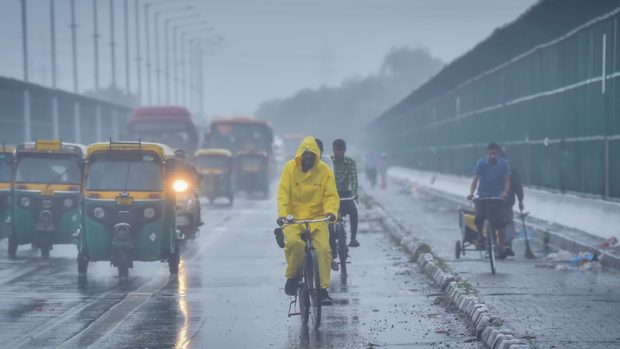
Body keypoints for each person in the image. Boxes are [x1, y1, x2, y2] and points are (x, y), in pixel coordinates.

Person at [277, 137, 339, 302]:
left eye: (312, 156)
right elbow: (283, 193)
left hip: (317, 220)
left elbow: (331, 195)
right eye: (306, 156)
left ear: (316, 156)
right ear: (300, 155)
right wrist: (283, 215)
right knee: (295, 244)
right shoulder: (290, 168)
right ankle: (292, 276)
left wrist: (331, 212)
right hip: (293, 219)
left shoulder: (325, 171)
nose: (308, 159)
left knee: (324, 251)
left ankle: (323, 290)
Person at [467, 142, 511, 258]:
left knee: (500, 223)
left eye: (495, 154)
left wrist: (505, 192)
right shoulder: (481, 163)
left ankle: (501, 247)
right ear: (487, 154)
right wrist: (472, 193)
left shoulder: (504, 164)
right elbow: (475, 180)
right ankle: (481, 236)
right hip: (482, 196)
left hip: (497, 198)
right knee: (479, 217)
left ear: (498, 154)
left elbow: (507, 181)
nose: (493, 156)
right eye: (491, 154)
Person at [331, 139, 360, 250]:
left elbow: (354, 179)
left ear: (345, 150)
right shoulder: (328, 162)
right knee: (328, 218)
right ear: (333, 149)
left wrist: (355, 192)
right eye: (336, 150)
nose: (338, 152)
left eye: (340, 150)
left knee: (353, 211)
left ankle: (353, 238)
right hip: (331, 195)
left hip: (346, 194)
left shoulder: (350, 162)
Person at [499, 148, 524, 257]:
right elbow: (518, 187)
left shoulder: (491, 171)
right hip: (507, 203)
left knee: (498, 224)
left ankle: (501, 245)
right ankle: (507, 245)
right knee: (508, 223)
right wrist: (520, 200)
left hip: (496, 202)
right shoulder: (512, 172)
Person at [173, 149, 203, 226]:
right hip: (171, 190)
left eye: (181, 157)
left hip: (188, 190)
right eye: (177, 156)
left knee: (195, 199)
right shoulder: (169, 168)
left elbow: (196, 176)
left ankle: (198, 218)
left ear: (184, 159)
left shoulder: (190, 168)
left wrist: (198, 178)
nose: (179, 159)